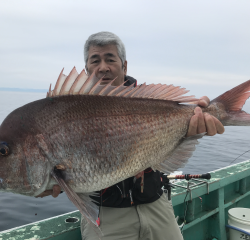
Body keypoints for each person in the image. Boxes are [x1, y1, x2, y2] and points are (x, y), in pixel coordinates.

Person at [37, 32, 224, 239]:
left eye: (110, 59)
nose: (103, 67)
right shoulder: (67, 110)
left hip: (157, 206)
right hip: (106, 218)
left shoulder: (147, 102)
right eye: (95, 60)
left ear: (124, 66)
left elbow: (173, 141)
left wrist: (194, 128)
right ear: (86, 70)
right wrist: (49, 183)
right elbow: (70, 167)